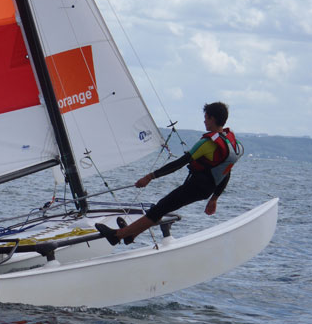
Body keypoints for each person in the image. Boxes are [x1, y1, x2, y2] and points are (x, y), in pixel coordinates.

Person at [95, 102, 244, 246]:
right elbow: (226, 172)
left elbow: (178, 164)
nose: (204, 120)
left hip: (196, 187)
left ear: (212, 118)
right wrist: (214, 198)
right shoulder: (230, 144)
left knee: (160, 208)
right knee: (163, 207)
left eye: (206, 117)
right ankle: (131, 234)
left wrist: (150, 177)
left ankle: (117, 236)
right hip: (206, 189)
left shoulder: (208, 143)